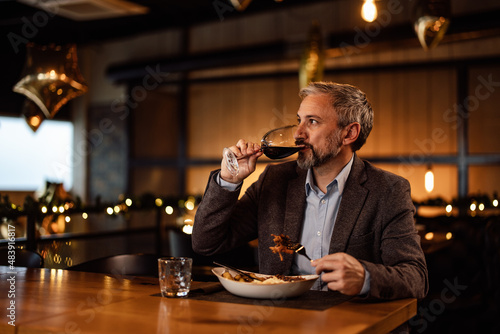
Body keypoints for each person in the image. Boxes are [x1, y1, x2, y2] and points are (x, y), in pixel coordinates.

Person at [192, 81, 428, 300]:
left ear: (349, 133)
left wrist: (365, 277)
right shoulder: (274, 180)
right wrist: (228, 180)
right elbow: (206, 244)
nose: (297, 133)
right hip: (281, 321)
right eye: (299, 120)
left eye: (312, 122)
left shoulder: (388, 190)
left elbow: (416, 278)